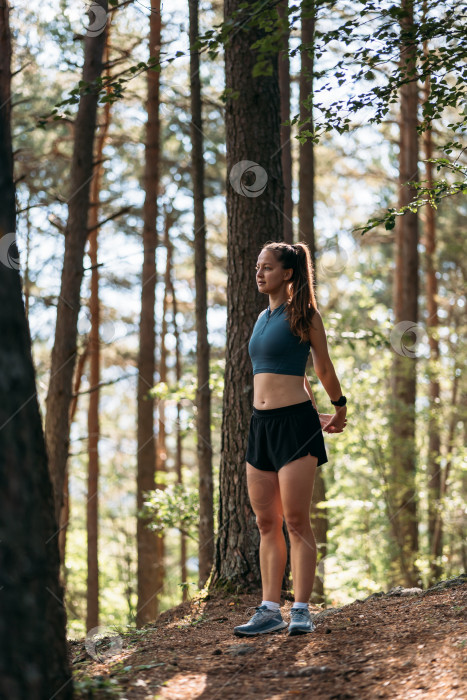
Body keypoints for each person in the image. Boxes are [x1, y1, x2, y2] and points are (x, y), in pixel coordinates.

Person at [234, 241, 347, 638]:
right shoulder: (262, 318)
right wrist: (314, 404)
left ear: (288, 273)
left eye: (267, 267)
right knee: (267, 522)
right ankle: (268, 609)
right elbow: (287, 375)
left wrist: (339, 407)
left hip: (295, 428)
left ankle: (301, 609)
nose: (259, 273)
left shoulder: (306, 315)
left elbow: (322, 367)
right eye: (257, 266)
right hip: (261, 426)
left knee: (297, 521)